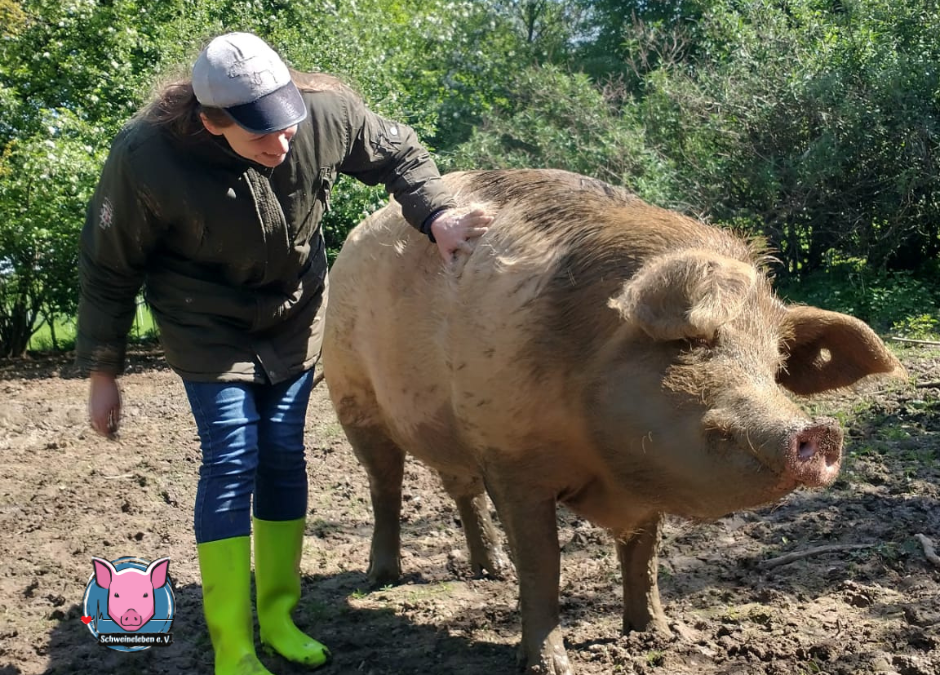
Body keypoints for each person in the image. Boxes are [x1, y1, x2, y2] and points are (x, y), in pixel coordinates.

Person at [76, 32, 492, 675]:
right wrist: (104, 371)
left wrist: (435, 213)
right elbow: (108, 267)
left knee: (281, 453)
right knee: (233, 452)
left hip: (293, 314)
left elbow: (400, 152)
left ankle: (277, 615)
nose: (282, 143)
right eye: (260, 135)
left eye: (287, 125)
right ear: (214, 122)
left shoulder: (323, 113)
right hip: (204, 320)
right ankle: (232, 644)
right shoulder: (146, 157)